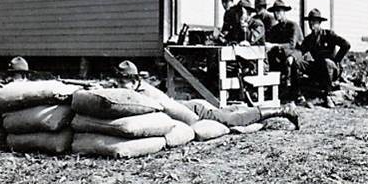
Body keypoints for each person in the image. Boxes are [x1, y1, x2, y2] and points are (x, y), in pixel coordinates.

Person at [114, 60, 300, 130]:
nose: (122, 88)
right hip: (188, 106)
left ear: (133, 81)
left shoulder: (144, 94)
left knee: (232, 121)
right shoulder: (139, 90)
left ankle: (283, 110)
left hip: (195, 110)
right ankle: (243, 107)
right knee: (229, 112)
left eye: (123, 83)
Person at [298, 9, 351, 108]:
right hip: (318, 69)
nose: (311, 23)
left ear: (319, 22)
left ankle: (328, 96)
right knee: (298, 62)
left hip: (331, 69)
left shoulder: (328, 35)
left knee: (326, 62)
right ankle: (297, 94)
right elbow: (300, 52)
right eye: (310, 21)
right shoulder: (309, 39)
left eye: (314, 21)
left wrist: (336, 60)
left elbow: (346, 45)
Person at [265, 0, 304, 98]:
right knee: (271, 56)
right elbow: (270, 42)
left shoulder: (292, 25)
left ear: (284, 12)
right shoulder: (275, 28)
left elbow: (292, 44)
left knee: (291, 59)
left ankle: (296, 93)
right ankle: (274, 89)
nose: (276, 14)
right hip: (283, 52)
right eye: (274, 12)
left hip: (297, 52)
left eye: (278, 11)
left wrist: (274, 46)